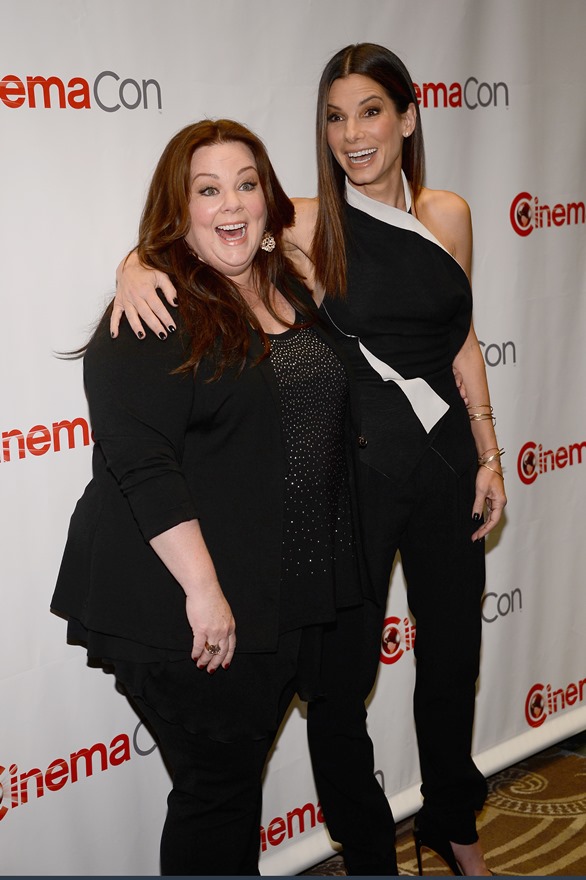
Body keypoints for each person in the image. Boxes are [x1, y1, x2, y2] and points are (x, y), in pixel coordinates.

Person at [110, 43, 507, 876]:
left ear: (408, 117)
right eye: (335, 117)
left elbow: (460, 336)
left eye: (371, 111)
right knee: (339, 684)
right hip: (358, 473)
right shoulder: (310, 219)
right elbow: (207, 225)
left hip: (446, 465)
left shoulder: (450, 213)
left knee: (452, 662)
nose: (353, 134)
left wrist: (489, 449)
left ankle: (452, 821)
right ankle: (369, 854)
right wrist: (132, 264)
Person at [51, 118, 365, 877]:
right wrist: (204, 590)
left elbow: (357, 199)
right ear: (179, 208)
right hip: (185, 606)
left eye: (246, 185)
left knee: (228, 790)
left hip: (277, 596)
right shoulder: (153, 313)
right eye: (208, 189)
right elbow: (142, 463)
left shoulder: (287, 282)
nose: (232, 204)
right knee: (217, 796)